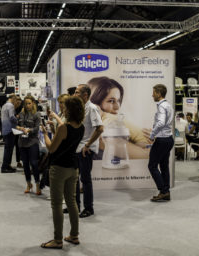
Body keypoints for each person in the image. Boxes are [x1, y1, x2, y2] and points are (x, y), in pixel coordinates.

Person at [40, 96, 85, 250]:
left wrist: (45, 134)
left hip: (59, 168)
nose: (63, 109)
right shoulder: (81, 126)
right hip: (73, 167)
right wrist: (54, 130)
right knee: (72, 202)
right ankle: (74, 235)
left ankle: (57, 240)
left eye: (65, 107)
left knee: (57, 204)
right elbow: (65, 143)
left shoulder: (64, 127)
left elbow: (52, 148)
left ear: (69, 110)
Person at [88, 76, 149, 159]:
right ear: (95, 103)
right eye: (111, 101)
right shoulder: (99, 136)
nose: (117, 107)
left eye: (118, 100)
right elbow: (147, 156)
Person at [74, 84, 103, 218]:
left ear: (85, 95)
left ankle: (88, 208)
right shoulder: (80, 108)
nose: (74, 95)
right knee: (74, 179)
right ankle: (74, 206)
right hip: (77, 148)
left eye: (77, 92)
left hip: (86, 150)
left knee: (85, 179)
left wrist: (88, 145)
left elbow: (100, 129)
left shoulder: (92, 108)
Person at [148, 84, 174, 202]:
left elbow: (161, 123)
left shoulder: (161, 106)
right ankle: (166, 191)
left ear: (159, 94)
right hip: (168, 139)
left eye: (153, 92)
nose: (152, 95)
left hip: (162, 139)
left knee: (152, 166)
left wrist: (152, 135)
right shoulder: (168, 105)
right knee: (164, 166)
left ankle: (163, 191)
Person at [16, 96, 42, 194]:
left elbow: (37, 129)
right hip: (22, 142)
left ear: (33, 103)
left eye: (29, 103)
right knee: (25, 165)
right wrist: (19, 128)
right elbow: (19, 124)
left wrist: (29, 130)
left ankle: (37, 185)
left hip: (32, 142)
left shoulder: (36, 114)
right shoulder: (22, 113)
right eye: (26, 103)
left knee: (34, 164)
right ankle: (28, 183)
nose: (27, 105)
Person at [1, 94, 18, 173]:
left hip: (5, 129)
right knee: (9, 150)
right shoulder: (11, 106)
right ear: (13, 98)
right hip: (10, 130)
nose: (16, 102)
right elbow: (11, 117)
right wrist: (17, 120)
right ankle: (5, 167)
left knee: (7, 149)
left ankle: (7, 165)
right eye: (16, 100)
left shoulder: (4, 105)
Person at [14, 97, 23, 168]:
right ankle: (18, 161)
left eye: (19, 103)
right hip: (16, 129)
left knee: (22, 146)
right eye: (17, 102)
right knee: (17, 145)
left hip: (22, 128)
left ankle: (22, 160)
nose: (18, 104)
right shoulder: (13, 108)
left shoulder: (23, 108)